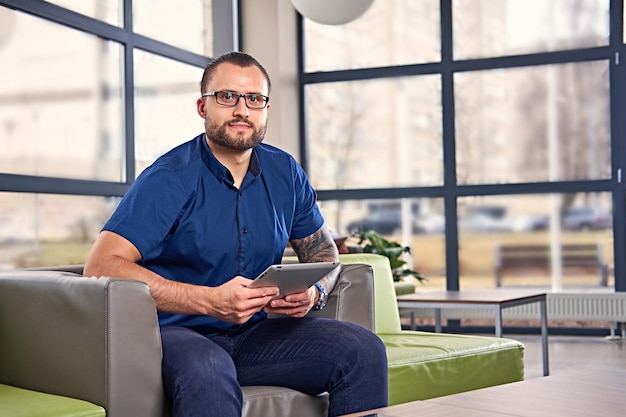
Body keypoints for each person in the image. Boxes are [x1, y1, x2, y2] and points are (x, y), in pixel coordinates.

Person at [84, 51, 388, 417]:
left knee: (362, 350)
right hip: (177, 334)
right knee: (209, 370)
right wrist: (208, 301)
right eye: (227, 97)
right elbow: (101, 265)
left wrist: (314, 291)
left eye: (254, 99)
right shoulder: (168, 177)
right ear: (202, 107)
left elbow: (325, 254)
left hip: (257, 335)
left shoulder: (285, 172)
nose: (242, 109)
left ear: (265, 108)